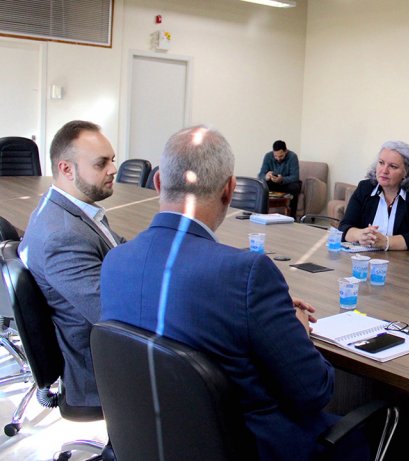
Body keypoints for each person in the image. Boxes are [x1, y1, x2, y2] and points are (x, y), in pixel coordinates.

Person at [100, 126, 365, 460]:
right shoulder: (246, 274)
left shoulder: (114, 261)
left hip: (150, 440)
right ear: (229, 189)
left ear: (157, 182)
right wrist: (297, 327)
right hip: (249, 447)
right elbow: (315, 391)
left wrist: (267, 312)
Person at [19, 120, 124, 408]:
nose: (113, 169)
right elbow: (114, 316)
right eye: (101, 163)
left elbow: (119, 247)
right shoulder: (63, 235)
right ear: (66, 169)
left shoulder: (66, 208)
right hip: (98, 371)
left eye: (112, 159)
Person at [338, 140, 409, 255]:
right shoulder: (365, 189)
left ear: (406, 172)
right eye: (381, 163)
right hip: (371, 258)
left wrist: (386, 242)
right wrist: (360, 235)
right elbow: (344, 226)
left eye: (393, 166)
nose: (384, 171)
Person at [258, 139, 302, 219]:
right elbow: (260, 175)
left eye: (281, 156)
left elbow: (295, 177)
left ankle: (292, 217)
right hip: (274, 183)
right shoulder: (268, 156)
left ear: (286, 151)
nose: (278, 158)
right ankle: (262, 214)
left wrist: (282, 179)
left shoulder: (293, 156)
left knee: (295, 187)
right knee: (263, 185)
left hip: (287, 184)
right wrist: (266, 177)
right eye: (275, 156)